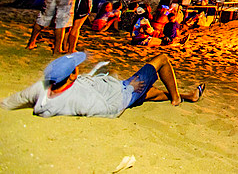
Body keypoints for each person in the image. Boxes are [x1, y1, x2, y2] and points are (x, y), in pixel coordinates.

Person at [1, 51, 203, 117]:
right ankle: (177, 98)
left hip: (117, 88)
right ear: (71, 76)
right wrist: (128, 92)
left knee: (150, 92)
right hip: (123, 93)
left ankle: (187, 96)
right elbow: (107, 109)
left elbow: (18, 99)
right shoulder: (80, 98)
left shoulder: (44, 88)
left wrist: (4, 105)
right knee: (162, 59)